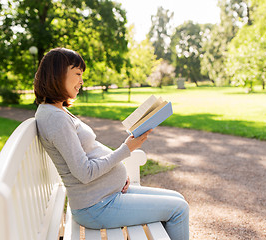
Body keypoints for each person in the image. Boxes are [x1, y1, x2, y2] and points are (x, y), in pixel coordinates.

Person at [34, 47, 189, 239]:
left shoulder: (57, 112)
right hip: (96, 206)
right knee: (179, 209)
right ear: (58, 75)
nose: (81, 81)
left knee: (178, 199)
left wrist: (117, 176)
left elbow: (87, 159)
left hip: (104, 195)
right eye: (77, 74)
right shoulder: (54, 118)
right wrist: (126, 150)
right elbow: (85, 172)